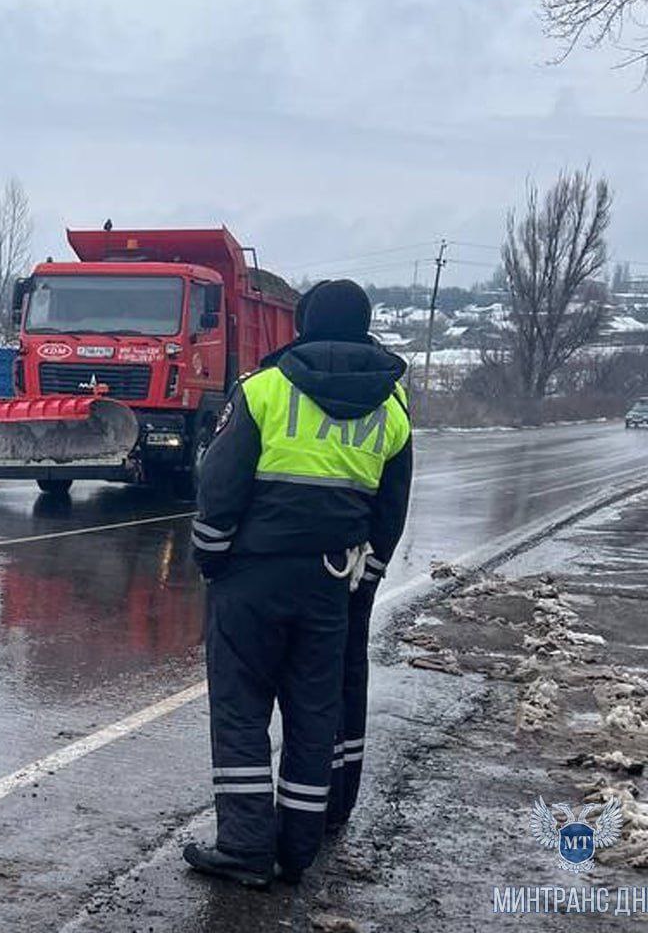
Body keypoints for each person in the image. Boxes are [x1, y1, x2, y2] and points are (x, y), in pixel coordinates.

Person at [183, 279, 413, 888]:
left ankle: (245, 847)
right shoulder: (392, 408)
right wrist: (365, 578)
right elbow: (391, 510)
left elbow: (220, 487)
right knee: (315, 716)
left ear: (303, 324)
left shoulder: (263, 390)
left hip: (252, 579)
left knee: (240, 710)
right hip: (329, 584)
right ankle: (298, 850)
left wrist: (211, 559)